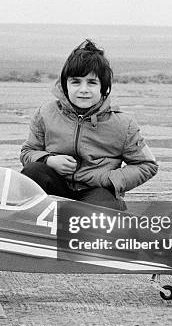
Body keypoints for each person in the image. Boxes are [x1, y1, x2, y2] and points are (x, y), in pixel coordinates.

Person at [20, 39, 158, 210]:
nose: (83, 89)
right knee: (33, 172)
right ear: (65, 85)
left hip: (96, 192)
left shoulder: (123, 124)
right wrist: (48, 160)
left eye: (92, 82)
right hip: (57, 188)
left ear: (103, 88)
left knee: (101, 210)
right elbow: (27, 152)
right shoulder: (45, 113)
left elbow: (147, 165)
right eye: (76, 82)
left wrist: (109, 180)